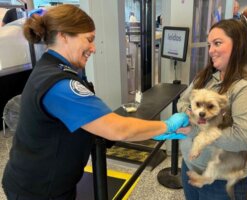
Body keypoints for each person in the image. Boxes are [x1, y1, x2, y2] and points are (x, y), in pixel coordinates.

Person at [1, 4, 189, 200]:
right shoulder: (59, 84)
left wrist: (144, 129)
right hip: (39, 191)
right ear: (64, 35)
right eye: (89, 39)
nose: (94, 47)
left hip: (42, 182)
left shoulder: (53, 68)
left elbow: (90, 121)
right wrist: (165, 126)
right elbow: (118, 128)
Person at [177, 19, 247, 200]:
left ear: (238, 45)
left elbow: (245, 138)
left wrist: (199, 128)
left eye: (217, 43)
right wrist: (193, 115)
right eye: (209, 45)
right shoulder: (207, 76)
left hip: (222, 180)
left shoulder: (245, 87)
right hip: (191, 166)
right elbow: (183, 102)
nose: (211, 51)